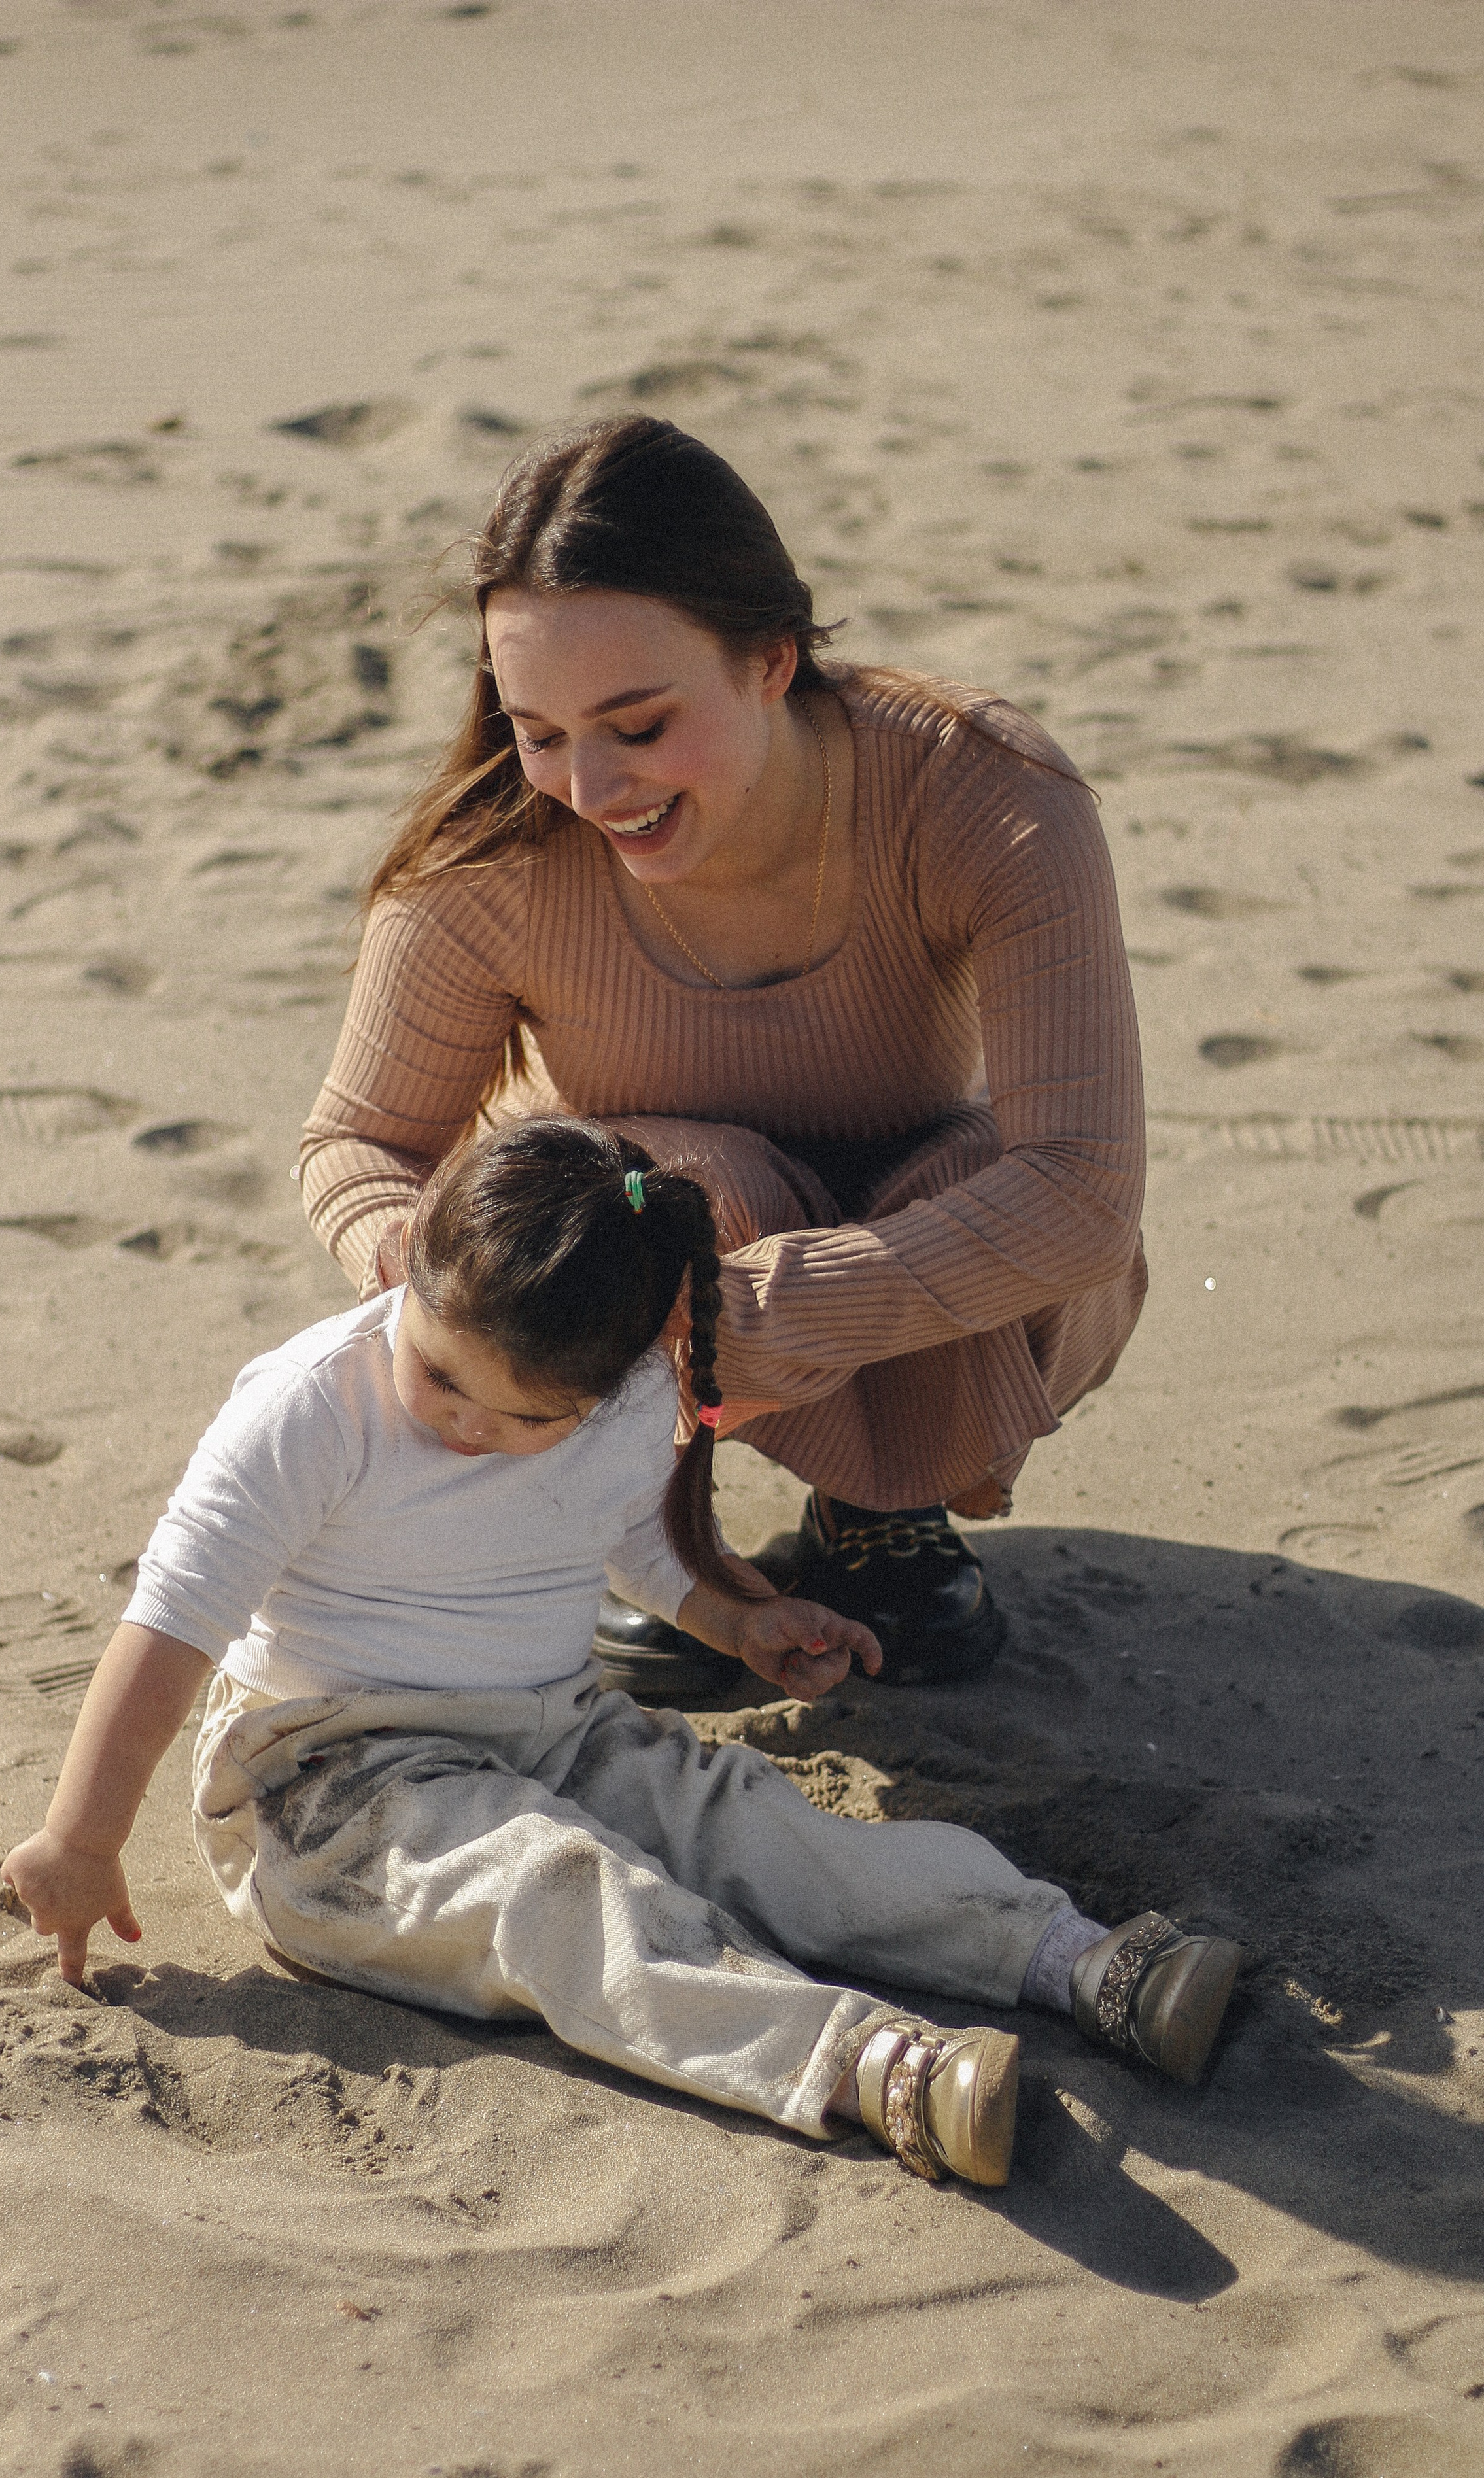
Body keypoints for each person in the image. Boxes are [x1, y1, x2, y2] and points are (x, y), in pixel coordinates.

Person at [3, 1119, 1239, 2192]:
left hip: (557, 1725)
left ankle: (1065, 1954)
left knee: (755, 1827)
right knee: (562, 1896)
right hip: (334, 1789)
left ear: (621, 1377)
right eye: (439, 1375)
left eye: (529, 1418)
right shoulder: (304, 1411)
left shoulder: (638, 1398)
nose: (470, 1426)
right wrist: (81, 1834)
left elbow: (628, 1534)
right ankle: (868, 2062)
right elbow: (170, 1626)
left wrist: (737, 1619)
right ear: (413, 1259)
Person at [297, 416, 1148, 1693]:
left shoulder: (981, 789)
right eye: (536, 728)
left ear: (769, 659)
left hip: (891, 1245)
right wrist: (463, 1296)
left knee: (982, 1170)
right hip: (638, 1262)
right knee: (672, 1178)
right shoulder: (495, 859)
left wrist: (748, 1323)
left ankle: (883, 1512)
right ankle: (647, 1524)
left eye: (637, 725)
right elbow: (356, 1143)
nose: (587, 785)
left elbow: (1081, 1185)